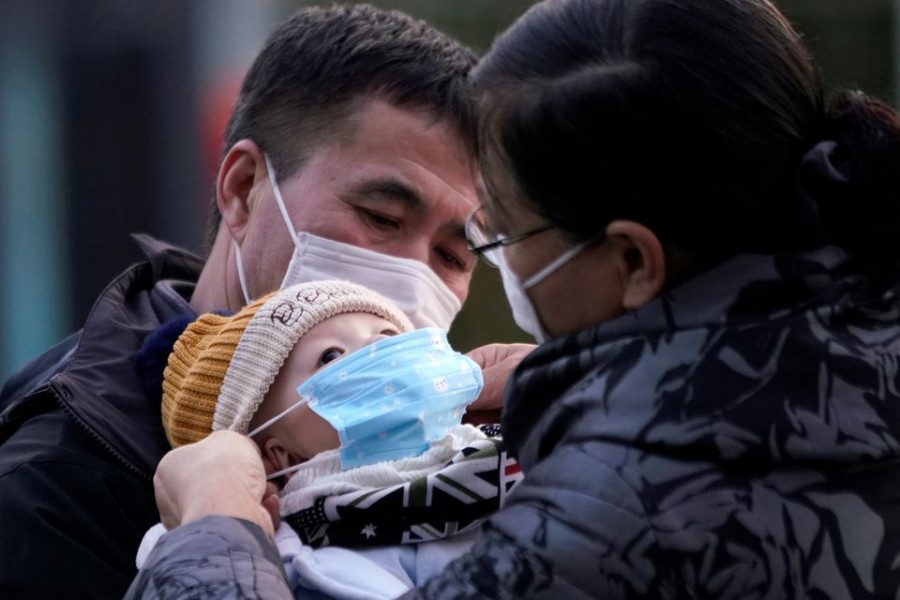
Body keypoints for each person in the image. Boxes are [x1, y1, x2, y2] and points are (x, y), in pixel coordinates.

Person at [128, 0, 900, 597]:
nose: (402, 292)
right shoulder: (852, 374)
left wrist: (216, 529)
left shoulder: (602, 520)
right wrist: (582, 404)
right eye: (379, 217)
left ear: (631, 259)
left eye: (483, 245)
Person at [0, 5, 531, 598]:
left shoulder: (472, 449)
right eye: (380, 217)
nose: (409, 279)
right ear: (243, 189)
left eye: (454, 258)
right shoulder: (59, 483)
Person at [132, 280, 521, 599]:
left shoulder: (520, 438)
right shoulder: (304, 564)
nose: (378, 348)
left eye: (388, 334)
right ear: (277, 456)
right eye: (331, 356)